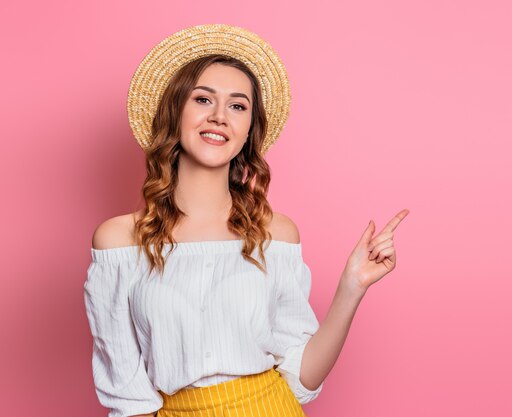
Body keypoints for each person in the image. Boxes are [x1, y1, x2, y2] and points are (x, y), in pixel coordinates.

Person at [83, 24, 409, 417]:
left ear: (248, 130)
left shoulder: (276, 234)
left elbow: (302, 377)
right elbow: (127, 394)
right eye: (203, 99)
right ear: (174, 111)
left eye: (238, 106)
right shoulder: (120, 241)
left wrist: (351, 288)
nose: (220, 116)